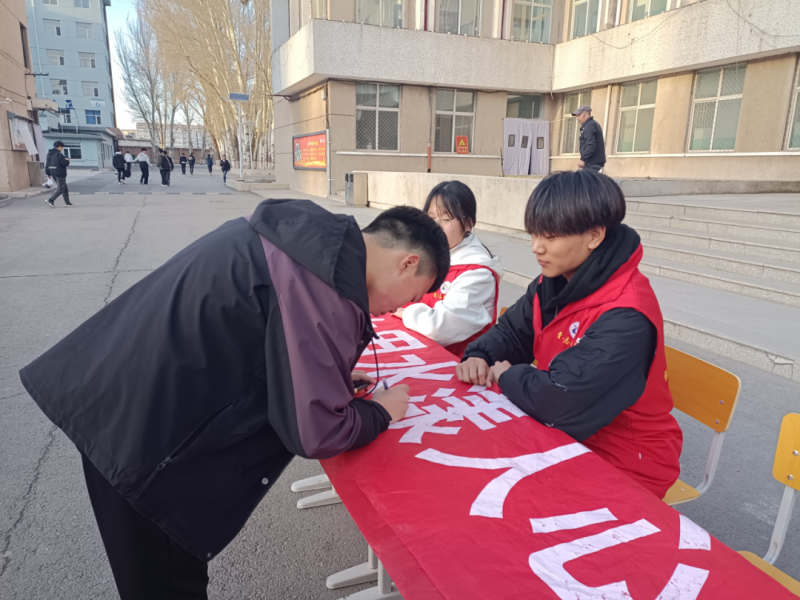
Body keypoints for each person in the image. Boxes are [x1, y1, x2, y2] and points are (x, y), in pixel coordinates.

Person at [19, 200, 450, 599]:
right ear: (407, 263)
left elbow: (261, 335)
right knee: (166, 584)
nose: (397, 309)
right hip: (147, 450)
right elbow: (317, 432)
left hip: (121, 401)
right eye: (412, 296)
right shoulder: (323, 283)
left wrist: (327, 377)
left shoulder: (300, 237)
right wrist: (380, 411)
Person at [456, 170, 682, 499]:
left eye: (550, 237)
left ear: (594, 236)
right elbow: (513, 332)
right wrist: (480, 354)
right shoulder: (553, 282)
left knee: (504, 500)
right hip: (566, 434)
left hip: (626, 456)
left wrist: (507, 375)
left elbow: (560, 400)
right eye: (534, 234)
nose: (536, 247)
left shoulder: (626, 314)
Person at [394, 181, 501, 358]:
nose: (436, 226)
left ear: (468, 224)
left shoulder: (478, 272)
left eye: (446, 220)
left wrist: (408, 313)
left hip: (458, 363)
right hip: (417, 347)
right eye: (431, 218)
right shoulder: (431, 253)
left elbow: (439, 328)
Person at [572, 105, 606, 172]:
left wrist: (583, 159)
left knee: (586, 178)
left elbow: (591, 145)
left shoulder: (589, 126)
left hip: (592, 162)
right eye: (577, 116)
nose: (577, 118)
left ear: (587, 114)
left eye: (579, 115)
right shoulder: (589, 125)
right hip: (593, 162)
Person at [44, 140, 73, 208]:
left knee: (64, 188)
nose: (62, 149)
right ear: (59, 147)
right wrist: (67, 161)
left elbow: (47, 164)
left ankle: (67, 202)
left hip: (53, 173)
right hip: (60, 173)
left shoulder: (49, 154)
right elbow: (64, 164)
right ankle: (50, 200)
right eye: (62, 147)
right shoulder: (59, 154)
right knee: (61, 188)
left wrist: (48, 173)